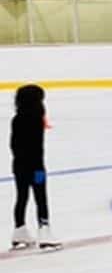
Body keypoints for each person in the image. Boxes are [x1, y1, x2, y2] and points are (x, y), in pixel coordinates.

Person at [9, 84, 58, 251]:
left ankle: (19, 231)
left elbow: (14, 145)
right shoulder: (37, 119)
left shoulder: (17, 119)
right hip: (37, 168)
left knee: (21, 197)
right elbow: (36, 147)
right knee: (40, 197)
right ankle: (44, 233)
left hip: (19, 166)